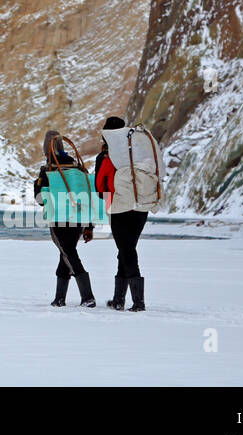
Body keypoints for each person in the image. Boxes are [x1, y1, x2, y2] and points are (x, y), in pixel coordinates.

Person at [94, 116, 163, 311]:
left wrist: (108, 201)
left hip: (119, 209)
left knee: (126, 251)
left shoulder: (107, 158)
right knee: (126, 249)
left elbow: (100, 187)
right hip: (141, 207)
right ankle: (118, 300)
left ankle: (138, 302)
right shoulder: (139, 154)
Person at [33, 130, 96, 308]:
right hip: (78, 217)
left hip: (58, 219)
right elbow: (88, 196)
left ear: (47, 150)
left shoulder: (48, 170)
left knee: (68, 253)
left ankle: (88, 296)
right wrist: (89, 226)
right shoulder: (78, 168)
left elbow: (40, 199)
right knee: (66, 254)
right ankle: (59, 298)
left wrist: (37, 185)